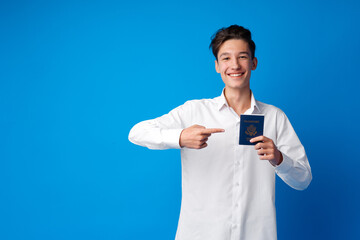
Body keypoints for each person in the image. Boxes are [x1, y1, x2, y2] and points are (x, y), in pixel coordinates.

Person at [128, 25, 312, 240]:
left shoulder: (274, 117)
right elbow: (137, 132)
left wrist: (279, 158)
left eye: (242, 57)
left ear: (253, 63)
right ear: (217, 65)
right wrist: (179, 137)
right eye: (226, 58)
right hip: (199, 234)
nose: (234, 65)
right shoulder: (194, 111)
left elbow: (303, 179)